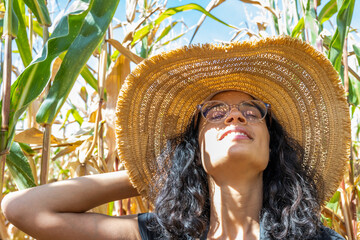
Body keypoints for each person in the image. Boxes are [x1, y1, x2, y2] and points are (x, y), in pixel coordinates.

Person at [1, 36, 351, 240]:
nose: (234, 115)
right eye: (213, 112)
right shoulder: (161, 233)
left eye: (253, 109)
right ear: (193, 150)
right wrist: (163, 174)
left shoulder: (314, 238)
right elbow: (22, 209)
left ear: (272, 148)